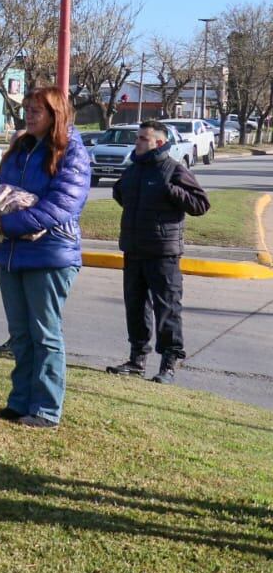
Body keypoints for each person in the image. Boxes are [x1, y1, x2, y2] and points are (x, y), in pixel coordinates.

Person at [0, 86, 91, 429]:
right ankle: (20, 401)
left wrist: (5, 224)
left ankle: (45, 408)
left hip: (50, 255)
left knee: (45, 333)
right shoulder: (19, 150)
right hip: (11, 255)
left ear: (56, 114)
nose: (29, 115)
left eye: (36, 110)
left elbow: (61, 206)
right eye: (27, 109)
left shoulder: (72, 153)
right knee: (21, 334)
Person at [105, 120, 209, 384]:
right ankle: (137, 359)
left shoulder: (173, 169)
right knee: (136, 306)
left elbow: (200, 204)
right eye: (138, 138)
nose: (137, 142)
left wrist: (170, 190)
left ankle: (169, 362)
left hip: (163, 252)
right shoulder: (134, 169)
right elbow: (120, 193)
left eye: (142, 139)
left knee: (167, 309)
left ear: (159, 143)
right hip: (134, 249)